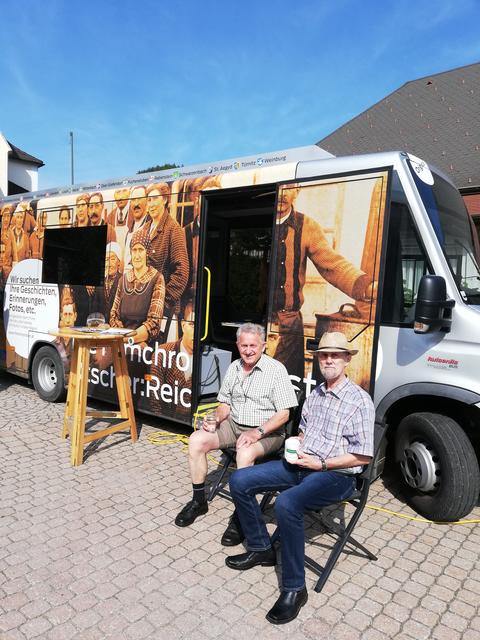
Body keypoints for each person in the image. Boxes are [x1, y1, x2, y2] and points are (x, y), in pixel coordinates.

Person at [225, 331, 375, 625]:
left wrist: (320, 463)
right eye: (323, 354)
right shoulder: (316, 394)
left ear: (347, 359)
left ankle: (295, 588)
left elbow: (363, 457)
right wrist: (299, 445)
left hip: (335, 474)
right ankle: (260, 548)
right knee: (239, 481)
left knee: (287, 504)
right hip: (301, 463)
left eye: (335, 355)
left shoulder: (359, 401)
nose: (328, 359)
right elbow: (304, 430)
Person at [174, 322, 298, 546]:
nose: (248, 350)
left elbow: (284, 414)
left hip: (267, 432)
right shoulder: (234, 367)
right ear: (238, 346)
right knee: (196, 440)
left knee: (244, 452)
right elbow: (225, 404)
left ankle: (242, 515)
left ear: (263, 345)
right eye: (244, 346)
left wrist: (257, 432)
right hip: (234, 425)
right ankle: (199, 500)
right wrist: (215, 418)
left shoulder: (276, 370)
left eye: (253, 345)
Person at [272, 185, 376, 379]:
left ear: (297, 191)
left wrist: (365, 286)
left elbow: (332, 264)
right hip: (256, 327)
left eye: (289, 188)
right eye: (279, 188)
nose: (283, 194)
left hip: (289, 325)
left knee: (286, 388)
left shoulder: (307, 226)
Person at [110, 228, 165, 345]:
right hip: (122, 340)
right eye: (134, 250)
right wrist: (123, 337)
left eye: (141, 250)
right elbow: (113, 316)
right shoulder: (123, 280)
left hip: (145, 342)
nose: (137, 255)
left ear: (148, 252)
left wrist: (130, 340)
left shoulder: (157, 278)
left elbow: (153, 323)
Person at [145, 182, 188, 316]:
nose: (151, 204)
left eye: (155, 199)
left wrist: (162, 301)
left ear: (164, 199)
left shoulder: (174, 229)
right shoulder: (144, 229)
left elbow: (182, 272)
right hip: (142, 306)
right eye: (149, 200)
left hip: (163, 312)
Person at [149, 300, 195, 421]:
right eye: (193, 324)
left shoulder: (210, 360)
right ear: (183, 325)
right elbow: (155, 399)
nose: (196, 332)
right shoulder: (162, 353)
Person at [124, 185, 149, 270]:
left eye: (139, 199)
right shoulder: (129, 231)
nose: (136, 204)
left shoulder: (151, 227)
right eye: (133, 200)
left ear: (146, 201)